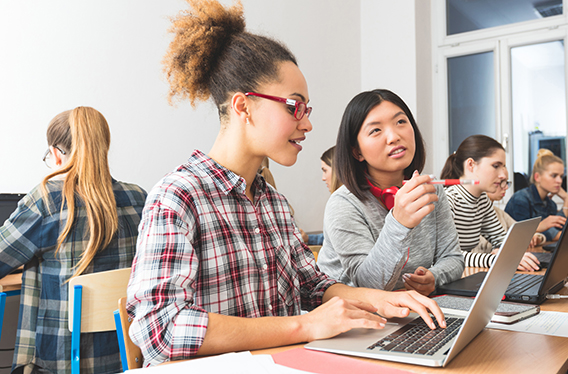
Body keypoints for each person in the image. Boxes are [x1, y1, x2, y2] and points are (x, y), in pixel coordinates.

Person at [126, 1, 446, 368]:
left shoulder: (273, 201)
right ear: (243, 107)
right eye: (294, 106)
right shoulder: (179, 196)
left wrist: (378, 299)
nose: (307, 124)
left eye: (307, 110)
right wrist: (303, 326)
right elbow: (162, 331)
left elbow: (312, 284)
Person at [0, 107, 147, 374]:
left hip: (60, 362)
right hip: (129, 357)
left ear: (55, 154)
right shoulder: (139, 198)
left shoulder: (47, 202)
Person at [316, 89, 464, 296]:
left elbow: (453, 258)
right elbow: (369, 285)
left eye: (401, 122)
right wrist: (399, 222)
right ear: (356, 151)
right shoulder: (343, 203)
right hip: (357, 316)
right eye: (376, 130)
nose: (394, 136)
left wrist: (434, 277)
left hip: (411, 308)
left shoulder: (430, 188)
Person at [440, 135, 540, 271]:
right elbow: (449, 256)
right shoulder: (448, 201)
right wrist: (497, 259)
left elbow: (501, 239)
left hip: (464, 274)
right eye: (496, 166)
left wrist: (505, 251)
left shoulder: (482, 201)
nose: (503, 175)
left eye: (503, 166)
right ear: (471, 165)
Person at [504, 149, 568, 242]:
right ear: (537, 177)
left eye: (561, 176)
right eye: (554, 176)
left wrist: (567, 199)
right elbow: (520, 235)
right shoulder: (520, 199)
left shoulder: (550, 204)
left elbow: (558, 228)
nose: (559, 181)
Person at [472, 180, 546, 253]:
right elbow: (483, 248)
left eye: (506, 183)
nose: (506, 187)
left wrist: (535, 237)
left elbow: (520, 231)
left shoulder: (499, 212)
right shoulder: (470, 213)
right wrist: (516, 240)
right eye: (500, 183)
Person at [307, 146, 342, 246]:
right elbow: (333, 238)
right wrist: (308, 238)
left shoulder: (339, 204)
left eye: (325, 170)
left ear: (337, 170)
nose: (323, 178)